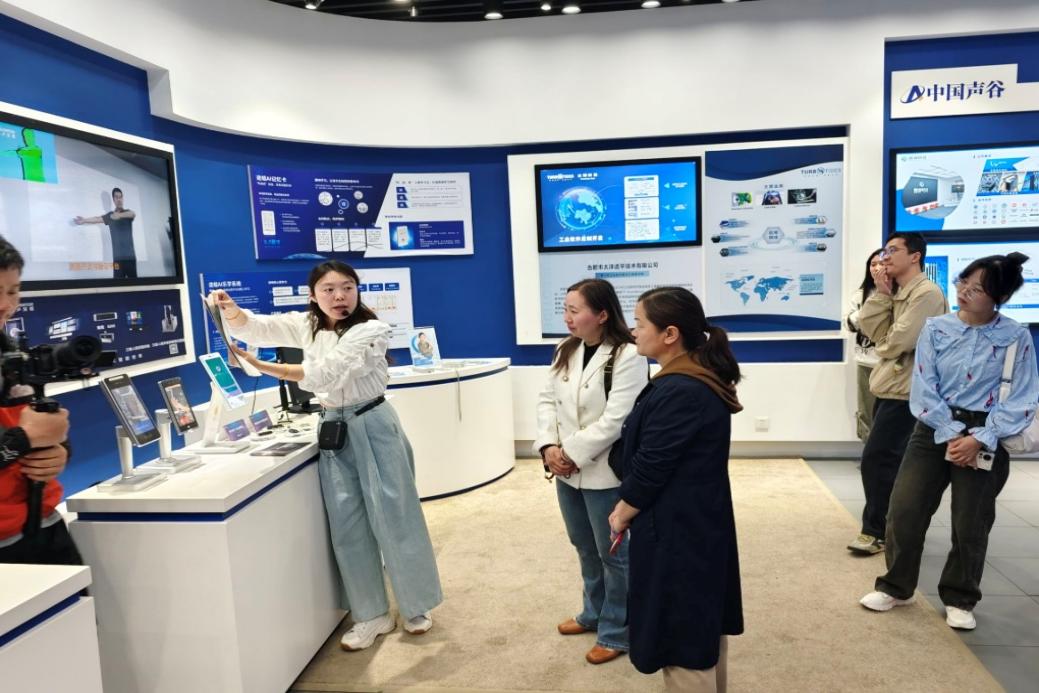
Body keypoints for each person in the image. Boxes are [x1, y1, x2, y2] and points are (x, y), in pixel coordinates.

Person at [209, 260, 442, 651]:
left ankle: (416, 604)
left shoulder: (372, 329)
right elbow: (258, 327)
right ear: (313, 295)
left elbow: (327, 373)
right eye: (329, 289)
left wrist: (262, 365)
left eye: (347, 287)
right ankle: (372, 614)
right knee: (348, 524)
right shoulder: (307, 325)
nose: (339, 296)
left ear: (357, 291)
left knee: (395, 514)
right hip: (333, 425)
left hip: (373, 421)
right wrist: (231, 312)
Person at [860, 253, 1038, 630]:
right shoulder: (936, 328)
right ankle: (896, 585)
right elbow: (924, 385)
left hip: (986, 431)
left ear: (999, 297)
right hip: (933, 427)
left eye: (978, 289)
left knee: (971, 522)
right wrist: (951, 432)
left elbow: (1023, 397)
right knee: (905, 510)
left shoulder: (1015, 336)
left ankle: (960, 596)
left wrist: (981, 437)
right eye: (963, 282)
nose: (965, 292)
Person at [608, 287, 743, 692]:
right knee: (700, 628)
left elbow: (653, 464)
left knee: (683, 636)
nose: (633, 332)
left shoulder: (681, 389)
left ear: (670, 334)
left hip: (679, 532)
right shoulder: (689, 378)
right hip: (693, 523)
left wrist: (622, 511)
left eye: (639, 324)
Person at [533, 278, 648, 665]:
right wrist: (548, 447)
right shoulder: (565, 348)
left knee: (614, 554)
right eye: (564, 309)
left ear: (601, 314)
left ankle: (617, 632)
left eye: (574, 310)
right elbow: (546, 401)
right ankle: (593, 613)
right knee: (583, 545)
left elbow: (617, 419)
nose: (567, 317)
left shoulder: (628, 355)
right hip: (566, 471)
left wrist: (570, 452)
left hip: (604, 472)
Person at [847, 233, 947, 555]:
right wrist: (882, 293)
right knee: (887, 461)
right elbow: (870, 328)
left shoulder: (927, 294)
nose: (885, 257)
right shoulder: (898, 292)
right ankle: (890, 528)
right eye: (885, 251)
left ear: (915, 256)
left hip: (908, 392)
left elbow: (896, 342)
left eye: (893, 250)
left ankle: (876, 530)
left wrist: (885, 343)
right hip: (891, 385)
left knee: (878, 459)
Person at [0, 236, 79, 566]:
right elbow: (23, 436)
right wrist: (24, 439)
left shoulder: (10, 354)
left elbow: (40, 433)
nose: (5, 304)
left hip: (43, 526)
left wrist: (58, 452)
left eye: (13, 291)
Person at [845, 249, 884, 441]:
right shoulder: (860, 295)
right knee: (866, 411)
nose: (876, 268)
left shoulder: (899, 293)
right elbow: (849, 325)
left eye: (881, 263)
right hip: (865, 361)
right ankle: (868, 449)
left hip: (889, 363)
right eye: (873, 264)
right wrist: (869, 308)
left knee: (888, 413)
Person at [74, 187, 138, 279]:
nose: (119, 199)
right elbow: (97, 219)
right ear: (113, 200)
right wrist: (84, 220)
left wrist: (119, 215)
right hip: (117, 259)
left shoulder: (127, 212)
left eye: (120, 197)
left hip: (130, 258)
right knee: (117, 285)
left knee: (134, 284)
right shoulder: (110, 216)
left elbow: (132, 214)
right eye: (116, 197)